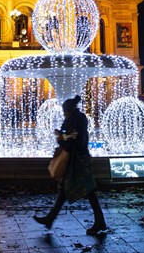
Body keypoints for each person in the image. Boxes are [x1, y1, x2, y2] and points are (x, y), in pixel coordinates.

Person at [33, 95, 107, 235]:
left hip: (78, 160)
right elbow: (74, 137)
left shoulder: (75, 120)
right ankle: (50, 218)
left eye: (64, 110)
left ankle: (99, 222)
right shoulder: (78, 119)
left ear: (68, 109)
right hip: (79, 158)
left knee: (88, 191)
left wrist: (61, 138)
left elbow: (73, 140)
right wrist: (63, 136)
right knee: (67, 189)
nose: (63, 113)